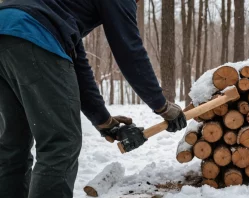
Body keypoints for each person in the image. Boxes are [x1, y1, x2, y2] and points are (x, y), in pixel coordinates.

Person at [0, 0, 187, 197]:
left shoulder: (61, 11)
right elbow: (130, 51)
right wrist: (162, 106)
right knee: (61, 144)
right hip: (33, 30)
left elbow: (78, 64)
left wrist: (104, 121)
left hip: (6, 24)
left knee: (14, 144)